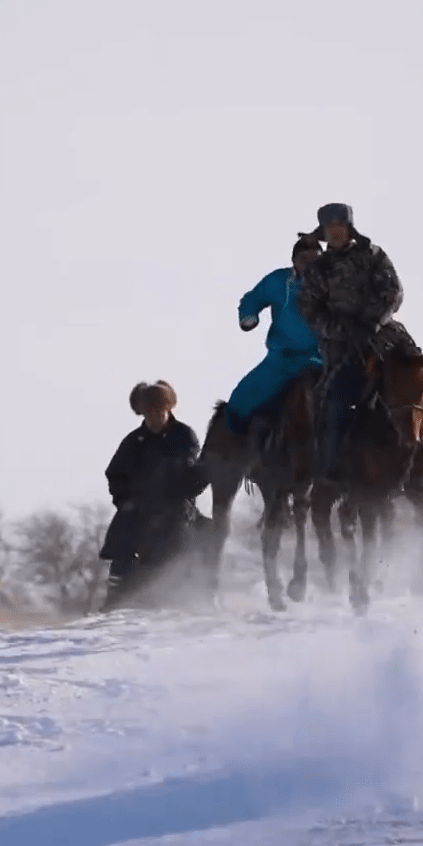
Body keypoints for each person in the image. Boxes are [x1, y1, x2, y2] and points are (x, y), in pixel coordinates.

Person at [295, 203, 411, 481]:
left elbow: (393, 291)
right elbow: (310, 309)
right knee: (334, 398)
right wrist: (339, 329)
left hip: (384, 335)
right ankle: (331, 468)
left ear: (349, 228)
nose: (335, 232)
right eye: (329, 228)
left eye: (339, 226)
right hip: (343, 345)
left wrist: (375, 320)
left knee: (416, 379)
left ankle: (422, 462)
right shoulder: (318, 269)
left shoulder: (373, 255)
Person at [98, 381, 208, 611]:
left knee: (192, 541)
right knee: (122, 541)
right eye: (149, 412)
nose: (154, 417)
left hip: (176, 505)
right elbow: (115, 474)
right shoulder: (133, 441)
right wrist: (125, 500)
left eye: (159, 411)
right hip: (139, 507)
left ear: (169, 409)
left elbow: (191, 473)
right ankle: (115, 597)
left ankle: (196, 595)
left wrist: (183, 489)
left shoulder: (184, 435)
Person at [224, 233, 324, 455]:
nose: (309, 263)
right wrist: (248, 316)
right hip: (281, 359)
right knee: (241, 399)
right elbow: (252, 299)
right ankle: (235, 454)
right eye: (303, 258)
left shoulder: (331, 284)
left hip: (320, 359)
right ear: (294, 260)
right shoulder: (279, 281)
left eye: (315, 258)